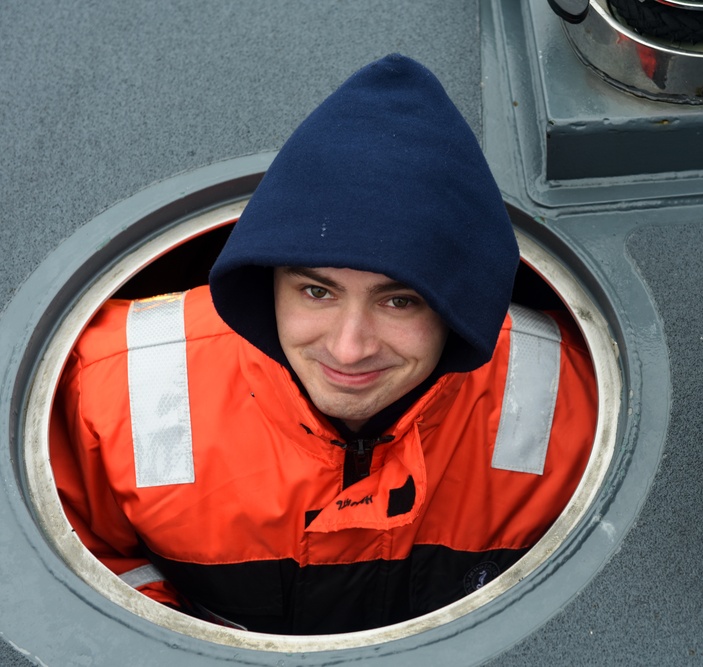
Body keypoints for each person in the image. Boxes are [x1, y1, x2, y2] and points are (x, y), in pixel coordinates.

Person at [49, 54, 597, 634]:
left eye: (399, 301)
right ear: (268, 282)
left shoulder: (570, 399)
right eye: (317, 291)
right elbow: (84, 565)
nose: (349, 347)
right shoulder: (112, 389)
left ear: (456, 305)